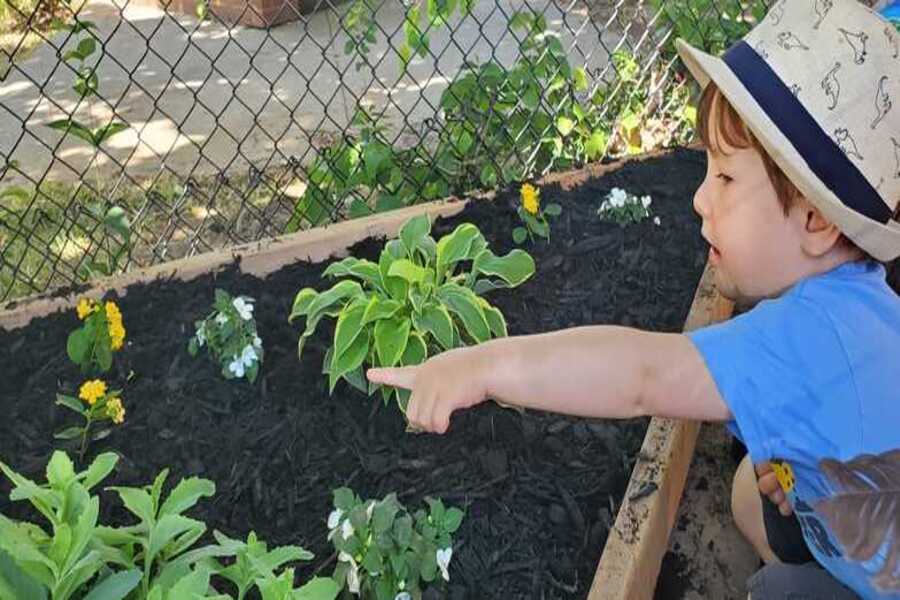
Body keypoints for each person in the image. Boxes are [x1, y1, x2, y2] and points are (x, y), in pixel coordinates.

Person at [367, 1, 900, 598]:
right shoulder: (860, 305)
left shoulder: (808, 339)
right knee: (756, 491)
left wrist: (485, 366)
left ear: (814, 220)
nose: (700, 200)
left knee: (776, 590)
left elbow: (643, 375)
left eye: (725, 178)